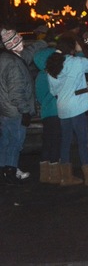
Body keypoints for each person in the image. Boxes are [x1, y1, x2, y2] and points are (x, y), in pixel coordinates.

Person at [46, 33, 88, 187]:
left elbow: (53, 91)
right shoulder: (76, 62)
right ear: (71, 48)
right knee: (82, 140)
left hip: (62, 108)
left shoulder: (52, 64)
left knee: (66, 141)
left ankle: (66, 177)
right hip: (77, 107)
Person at [0, 29, 35, 185]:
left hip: (5, 109)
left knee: (6, 141)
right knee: (15, 142)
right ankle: (10, 173)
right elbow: (16, 92)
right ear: (13, 44)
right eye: (20, 41)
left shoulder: (6, 59)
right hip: (15, 111)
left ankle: (4, 170)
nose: (23, 43)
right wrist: (25, 111)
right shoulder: (13, 63)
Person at [33, 39, 59, 184]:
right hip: (55, 112)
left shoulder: (40, 76)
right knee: (55, 142)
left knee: (48, 142)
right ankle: (55, 173)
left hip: (46, 113)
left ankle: (45, 174)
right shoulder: (50, 75)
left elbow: (40, 96)